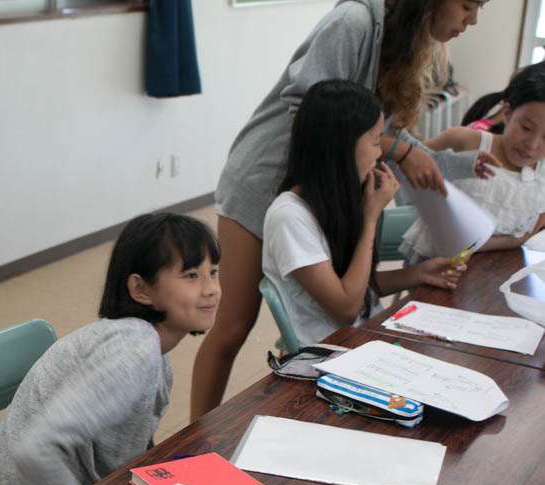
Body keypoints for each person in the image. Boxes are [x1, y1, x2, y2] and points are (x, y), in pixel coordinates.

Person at [191, 0, 487, 419]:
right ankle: (194, 440)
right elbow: (318, 118)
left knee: (329, 285)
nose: (471, 20)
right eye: (468, 4)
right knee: (233, 328)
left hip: (324, 189)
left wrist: (458, 164)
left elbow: (379, 133)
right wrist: (399, 151)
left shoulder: (401, 43)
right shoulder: (355, 21)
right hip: (264, 180)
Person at [0, 213, 220, 485]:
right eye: (191, 275)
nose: (210, 289)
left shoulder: (151, 347)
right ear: (141, 289)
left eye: (213, 272)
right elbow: (33, 451)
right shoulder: (132, 353)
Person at [263, 80, 466, 349]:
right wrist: (369, 218)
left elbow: (361, 291)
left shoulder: (335, 200)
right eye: (374, 142)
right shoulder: (288, 216)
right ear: (342, 147)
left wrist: (420, 273)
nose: (379, 153)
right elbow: (346, 308)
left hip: (364, 340)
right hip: (330, 356)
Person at [401, 62, 545, 261]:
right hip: (434, 266)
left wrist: (513, 243)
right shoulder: (466, 141)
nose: (532, 144)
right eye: (526, 128)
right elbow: (403, 158)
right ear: (507, 113)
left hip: (495, 270)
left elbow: (527, 235)